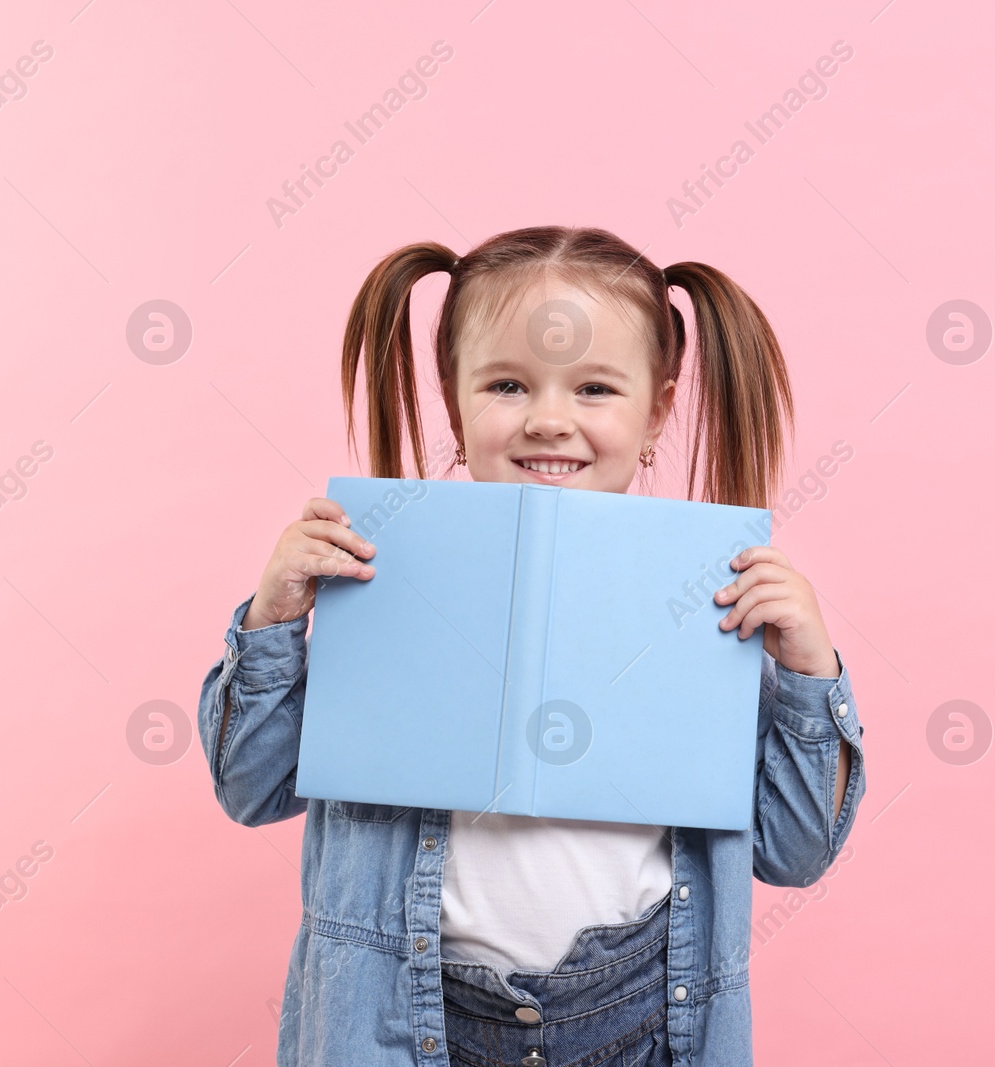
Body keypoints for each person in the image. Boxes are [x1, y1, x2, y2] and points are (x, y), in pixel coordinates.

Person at [196, 225, 867, 1066]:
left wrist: (808, 670)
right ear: (454, 400)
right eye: (508, 384)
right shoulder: (381, 566)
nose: (550, 420)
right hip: (408, 1016)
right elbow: (250, 787)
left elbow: (794, 849)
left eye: (594, 389)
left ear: (658, 408)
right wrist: (273, 621)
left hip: (646, 1017)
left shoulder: (707, 592)